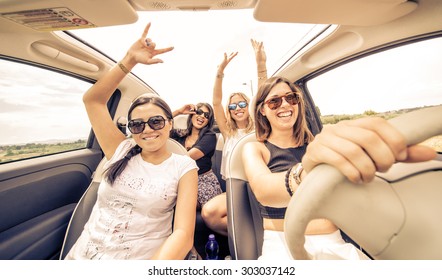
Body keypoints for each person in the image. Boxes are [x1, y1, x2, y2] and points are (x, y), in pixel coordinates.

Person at [242, 76, 436, 260]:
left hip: (334, 242)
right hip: (281, 244)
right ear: (262, 110)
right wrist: (309, 171)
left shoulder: (319, 144)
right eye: (274, 101)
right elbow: (264, 190)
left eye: (291, 98)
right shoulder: (255, 149)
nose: (285, 105)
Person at [65, 23, 199, 260]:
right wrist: (129, 60)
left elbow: (182, 234)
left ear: (170, 123)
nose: (147, 130)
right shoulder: (120, 150)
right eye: (137, 124)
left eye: (156, 122)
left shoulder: (183, 167)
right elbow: (93, 100)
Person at [200, 39, 265, 236]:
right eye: (233, 106)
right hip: (235, 186)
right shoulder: (228, 132)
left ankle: (260, 235)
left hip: (259, 185)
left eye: (242, 104)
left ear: (249, 106)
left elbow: (263, 92)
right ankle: (245, 236)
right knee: (209, 213)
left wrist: (260, 64)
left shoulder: (260, 128)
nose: (238, 109)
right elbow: (216, 102)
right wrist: (220, 71)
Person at [170, 103, 223, 210]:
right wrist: (179, 112)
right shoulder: (180, 134)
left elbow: (187, 157)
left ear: (208, 121)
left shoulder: (209, 136)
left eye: (207, 115)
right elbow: (160, 126)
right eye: (199, 112)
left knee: (180, 203)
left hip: (203, 183)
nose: (202, 116)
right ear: (192, 115)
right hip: (181, 181)